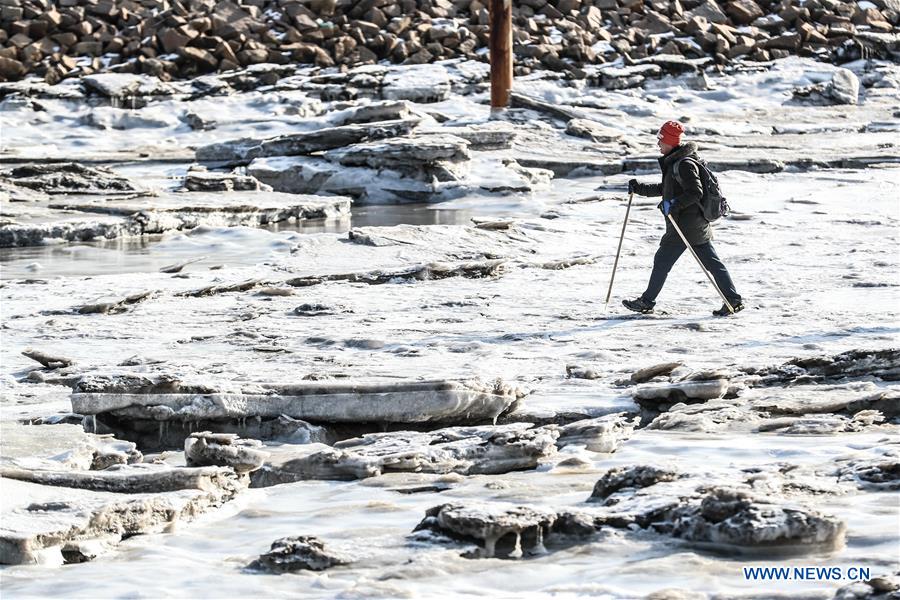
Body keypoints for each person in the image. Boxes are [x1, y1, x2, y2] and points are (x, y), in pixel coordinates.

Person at [623, 120, 744, 317]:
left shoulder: (685, 164)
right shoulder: (676, 162)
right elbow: (666, 190)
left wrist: (673, 205)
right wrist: (640, 188)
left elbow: (695, 192)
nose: (658, 144)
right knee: (712, 263)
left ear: (671, 141)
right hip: (692, 225)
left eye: (661, 140)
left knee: (663, 261)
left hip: (685, 226)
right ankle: (733, 300)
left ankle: (647, 302)